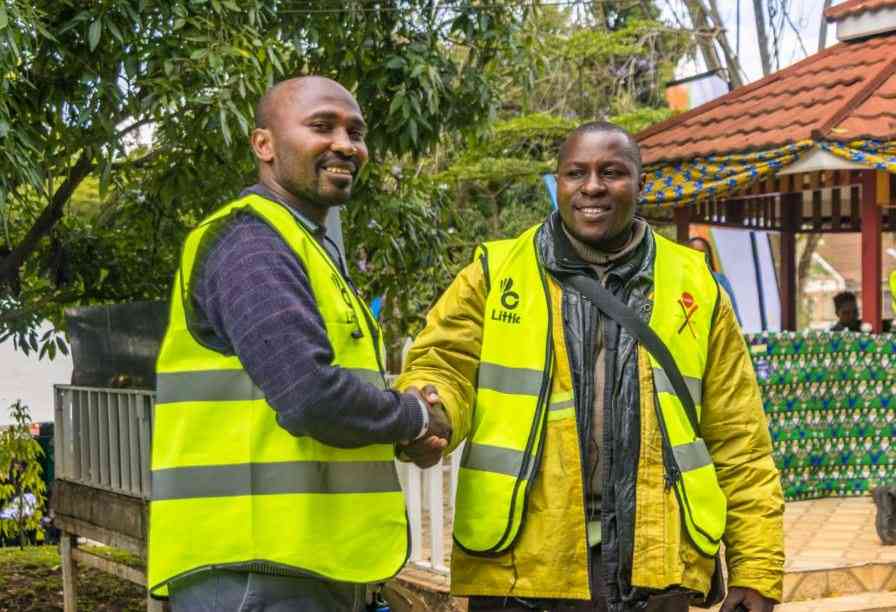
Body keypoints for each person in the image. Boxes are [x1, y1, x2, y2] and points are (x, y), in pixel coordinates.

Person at [396, 122, 784, 612]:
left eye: (613, 172)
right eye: (576, 172)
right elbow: (443, 364)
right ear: (558, 182)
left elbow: (740, 438)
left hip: (654, 567)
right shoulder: (495, 273)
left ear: (641, 185)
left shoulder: (695, 285)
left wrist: (757, 567)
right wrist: (432, 411)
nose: (593, 186)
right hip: (522, 564)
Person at [146, 76, 450, 611]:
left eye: (356, 131)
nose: (345, 144)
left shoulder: (303, 246)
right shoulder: (250, 243)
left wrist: (399, 429)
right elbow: (310, 395)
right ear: (263, 145)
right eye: (321, 126)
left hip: (304, 568)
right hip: (257, 573)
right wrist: (415, 419)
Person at [684, 236, 742, 324]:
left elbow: (732, 315)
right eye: (693, 252)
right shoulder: (681, 280)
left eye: (702, 252)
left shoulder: (720, 280)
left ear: (709, 256)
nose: (698, 256)